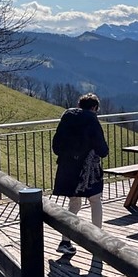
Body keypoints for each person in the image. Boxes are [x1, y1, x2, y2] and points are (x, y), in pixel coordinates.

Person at [52, 93, 109, 255]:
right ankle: (97, 240)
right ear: (94, 107)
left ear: (79, 105)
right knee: (95, 200)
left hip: (67, 168)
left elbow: (56, 146)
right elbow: (101, 148)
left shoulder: (66, 117)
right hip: (88, 170)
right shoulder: (91, 119)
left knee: (74, 204)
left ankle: (65, 241)